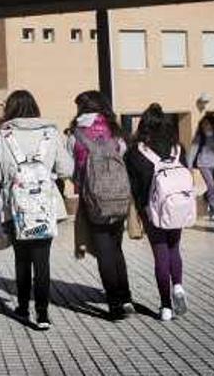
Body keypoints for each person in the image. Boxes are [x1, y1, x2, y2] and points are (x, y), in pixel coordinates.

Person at [0, 90, 74, 331]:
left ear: (10, 110)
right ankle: (43, 314)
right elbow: (67, 169)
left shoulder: (2, 135)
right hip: (44, 208)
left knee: (22, 260)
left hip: (15, 208)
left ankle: (24, 306)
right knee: (42, 261)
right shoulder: (51, 132)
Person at [69, 90, 135, 320]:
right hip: (119, 197)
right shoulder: (114, 129)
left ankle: (115, 305)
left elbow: (72, 170)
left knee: (104, 251)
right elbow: (124, 155)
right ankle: (126, 298)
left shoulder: (76, 133)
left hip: (94, 199)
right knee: (116, 248)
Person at [124, 103, 189, 321]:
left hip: (151, 210)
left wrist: (141, 210)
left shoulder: (136, 152)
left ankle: (165, 307)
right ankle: (178, 286)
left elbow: (132, 185)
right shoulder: (177, 148)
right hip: (177, 206)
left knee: (160, 253)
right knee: (174, 248)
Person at [188, 115, 214, 222]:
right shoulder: (200, 137)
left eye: (207, 124)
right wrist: (189, 167)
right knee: (212, 185)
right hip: (203, 164)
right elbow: (192, 152)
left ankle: (207, 196)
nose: (205, 126)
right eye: (203, 124)